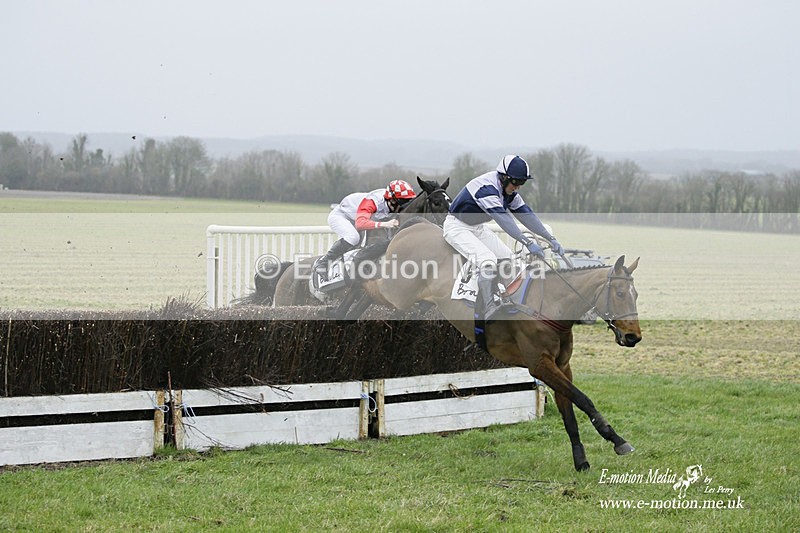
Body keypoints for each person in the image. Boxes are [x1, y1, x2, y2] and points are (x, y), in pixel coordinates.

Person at [443, 154, 564, 319]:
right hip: (457, 227)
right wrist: (527, 242)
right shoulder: (486, 189)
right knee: (488, 260)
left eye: (522, 183)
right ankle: (488, 307)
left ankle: (509, 298)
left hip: (477, 228)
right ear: (504, 177)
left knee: (513, 261)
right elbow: (504, 220)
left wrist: (550, 238)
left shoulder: (508, 191)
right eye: (517, 182)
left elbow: (526, 215)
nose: (518, 187)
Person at [313, 179, 417, 279]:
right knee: (353, 237)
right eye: (403, 203)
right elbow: (360, 224)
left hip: (358, 217)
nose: (404, 206)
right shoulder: (373, 202)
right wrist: (385, 224)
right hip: (342, 216)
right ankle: (323, 263)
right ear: (393, 200)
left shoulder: (391, 201)